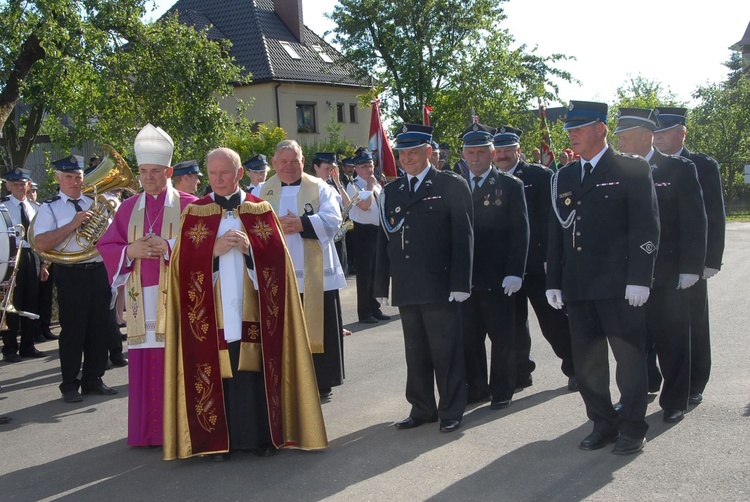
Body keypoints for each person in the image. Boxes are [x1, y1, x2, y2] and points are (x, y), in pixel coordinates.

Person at [163, 147, 327, 461]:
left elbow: (280, 264)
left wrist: (253, 250)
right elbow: (179, 268)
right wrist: (212, 250)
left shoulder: (260, 209)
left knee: (256, 370)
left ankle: (262, 437)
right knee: (216, 369)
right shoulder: (195, 212)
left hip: (255, 307)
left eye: (224, 172)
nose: (218, 179)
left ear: (239, 173)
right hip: (213, 311)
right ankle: (215, 443)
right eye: (212, 174)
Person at [546, 100, 660, 455]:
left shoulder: (631, 168)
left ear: (601, 129)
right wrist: (553, 279)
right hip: (579, 285)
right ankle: (602, 423)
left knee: (629, 361)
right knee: (588, 363)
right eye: (569, 130)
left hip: (620, 286)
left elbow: (647, 228)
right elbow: (556, 232)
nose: (572, 135)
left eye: (579, 128)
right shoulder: (563, 176)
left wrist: (640, 276)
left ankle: (632, 427)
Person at [97, 124, 197, 445]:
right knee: (147, 364)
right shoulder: (127, 208)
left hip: (179, 297)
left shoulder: (190, 204)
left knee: (179, 360)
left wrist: (167, 246)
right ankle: (148, 432)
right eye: (143, 171)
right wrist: (130, 250)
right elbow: (107, 246)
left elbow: (203, 246)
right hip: (143, 301)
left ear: (169, 170)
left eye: (155, 171)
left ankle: (180, 428)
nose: (148, 177)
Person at [374, 123, 473, 433]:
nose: (407, 158)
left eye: (414, 153)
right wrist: (380, 286)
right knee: (415, 352)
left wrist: (461, 283)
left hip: (440, 285)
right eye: (403, 153)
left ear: (429, 152)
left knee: (446, 352)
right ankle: (422, 407)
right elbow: (383, 241)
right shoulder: (392, 191)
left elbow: (463, 238)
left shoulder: (450, 185)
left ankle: (451, 409)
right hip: (406, 284)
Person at [615, 108, 707, 424]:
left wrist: (691, 267)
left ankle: (674, 400)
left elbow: (695, 221)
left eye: (626, 138)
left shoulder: (676, 168)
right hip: (629, 274)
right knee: (631, 343)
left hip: (667, 271)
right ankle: (631, 398)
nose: (621, 144)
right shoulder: (616, 171)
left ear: (646, 137)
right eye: (618, 138)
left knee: (672, 339)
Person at [254, 140, 347, 399]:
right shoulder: (262, 190)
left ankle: (321, 382)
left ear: (303, 161)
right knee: (283, 327)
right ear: (274, 163)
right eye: (283, 161)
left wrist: (302, 223)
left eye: (294, 161)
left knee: (318, 326)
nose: (289, 166)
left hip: (314, 274)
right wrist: (274, 227)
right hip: (277, 272)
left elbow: (334, 219)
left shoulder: (319, 187)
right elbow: (250, 225)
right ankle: (286, 381)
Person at [492, 126, 576, 392]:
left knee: (554, 324)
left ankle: (575, 368)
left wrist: (553, 260)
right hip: (505, 268)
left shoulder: (539, 176)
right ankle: (521, 373)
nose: (503, 155)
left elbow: (552, 221)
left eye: (509, 149)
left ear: (519, 150)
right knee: (513, 327)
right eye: (500, 150)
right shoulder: (489, 179)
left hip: (538, 265)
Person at [653, 106, 725, 406]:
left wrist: (709, 260)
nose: (658, 138)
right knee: (661, 326)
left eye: (665, 132)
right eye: (655, 132)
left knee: (693, 323)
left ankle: (695, 380)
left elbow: (713, 215)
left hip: (690, 260)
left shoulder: (700, 164)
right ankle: (656, 380)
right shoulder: (649, 165)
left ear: (682, 132)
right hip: (660, 261)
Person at [33, 155, 117, 403]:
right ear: (58, 179)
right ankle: (69, 384)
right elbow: (41, 242)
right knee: (73, 331)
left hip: (99, 270)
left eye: (78, 177)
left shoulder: (96, 202)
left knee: (99, 327)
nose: (74, 181)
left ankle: (94, 379)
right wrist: (72, 224)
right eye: (68, 177)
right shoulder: (49, 208)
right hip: (71, 273)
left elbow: (112, 236)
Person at [460, 123, 529, 409]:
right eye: (470, 153)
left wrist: (516, 271)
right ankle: (477, 388)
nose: (475, 158)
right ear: (463, 155)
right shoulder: (456, 185)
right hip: (466, 278)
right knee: (470, 337)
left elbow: (520, 231)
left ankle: (502, 390)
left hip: (499, 276)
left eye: (481, 152)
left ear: (492, 153)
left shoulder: (510, 185)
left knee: (502, 337)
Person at [0, 169, 43, 362]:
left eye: (23, 184)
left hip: (31, 255)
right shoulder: (2, 207)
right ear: (8, 186)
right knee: (11, 303)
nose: (20, 188)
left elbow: (40, 238)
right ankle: (10, 348)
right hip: (10, 256)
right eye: (16, 184)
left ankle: (28, 345)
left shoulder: (35, 207)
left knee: (30, 301)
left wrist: (43, 265)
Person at [346, 149, 390, 324]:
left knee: (376, 273)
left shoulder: (377, 184)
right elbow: (365, 205)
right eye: (363, 166)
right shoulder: (354, 185)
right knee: (365, 275)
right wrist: (370, 186)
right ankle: (364, 313)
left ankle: (374, 308)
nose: (368, 169)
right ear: (356, 168)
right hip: (362, 232)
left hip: (377, 231)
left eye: (370, 165)